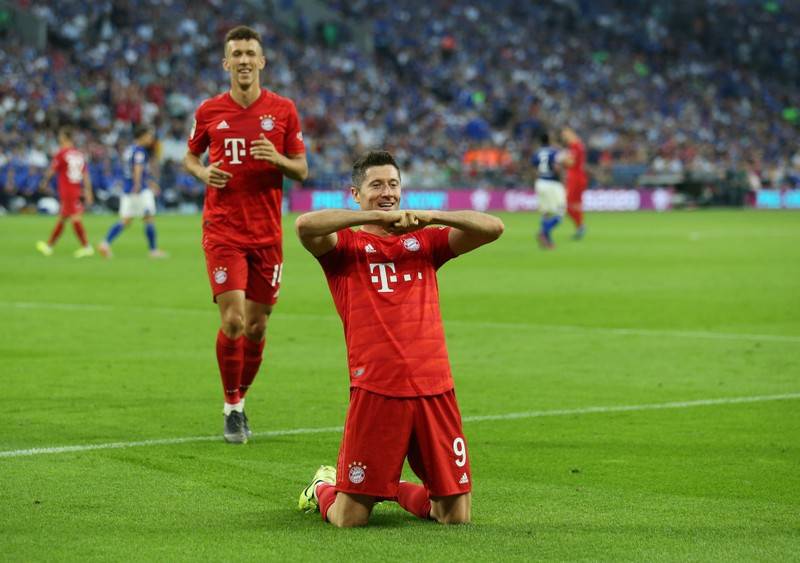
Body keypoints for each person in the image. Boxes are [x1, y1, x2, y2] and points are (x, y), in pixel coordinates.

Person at [295, 150, 503, 527]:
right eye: (376, 185)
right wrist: (376, 218)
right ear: (356, 194)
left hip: (434, 386)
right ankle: (323, 486)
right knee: (349, 519)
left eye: (393, 184)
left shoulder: (426, 244)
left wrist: (432, 216)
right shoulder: (344, 249)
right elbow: (305, 225)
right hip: (377, 387)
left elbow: (493, 228)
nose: (387, 192)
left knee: (455, 516)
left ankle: (393, 488)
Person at [182, 25, 308, 443]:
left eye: (250, 53)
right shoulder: (209, 111)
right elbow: (189, 156)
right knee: (234, 320)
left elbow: (302, 170)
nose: (243, 60)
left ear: (262, 61)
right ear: (226, 63)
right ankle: (232, 407)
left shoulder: (284, 110)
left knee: (256, 326)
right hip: (223, 230)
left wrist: (277, 159)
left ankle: (240, 399)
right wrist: (203, 172)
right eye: (236, 54)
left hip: (267, 235)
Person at [98, 125, 167, 258]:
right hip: (139, 189)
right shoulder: (140, 151)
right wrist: (138, 185)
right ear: (142, 136)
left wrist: (147, 183)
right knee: (149, 218)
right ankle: (153, 250)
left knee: (126, 220)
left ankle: (105, 243)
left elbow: (128, 169)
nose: (150, 139)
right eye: (148, 135)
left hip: (128, 188)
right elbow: (137, 168)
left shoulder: (129, 150)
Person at [35, 126, 94, 258]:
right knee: (62, 218)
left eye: (61, 136)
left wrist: (44, 182)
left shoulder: (62, 153)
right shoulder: (79, 154)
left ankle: (87, 247)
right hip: (76, 188)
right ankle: (49, 246)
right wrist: (88, 191)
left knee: (75, 218)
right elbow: (85, 175)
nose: (59, 138)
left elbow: (52, 169)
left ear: (65, 138)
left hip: (67, 190)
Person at [532, 132, 566, 249]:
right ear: (550, 140)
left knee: (545, 213)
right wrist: (562, 177)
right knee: (560, 213)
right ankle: (543, 232)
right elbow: (557, 168)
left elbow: (533, 168)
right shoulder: (554, 151)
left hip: (540, 182)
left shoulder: (537, 152)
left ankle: (548, 242)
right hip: (553, 183)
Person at [561, 126, 588, 239]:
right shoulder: (579, 145)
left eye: (565, 135)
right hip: (579, 176)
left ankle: (580, 226)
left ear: (571, 133)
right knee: (576, 204)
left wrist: (562, 159)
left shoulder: (575, 146)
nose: (564, 137)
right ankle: (580, 227)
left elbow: (571, 163)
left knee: (568, 205)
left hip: (575, 178)